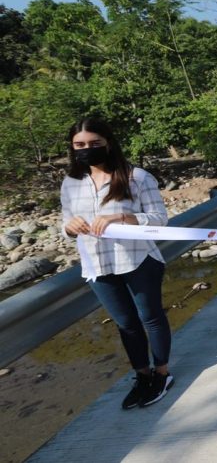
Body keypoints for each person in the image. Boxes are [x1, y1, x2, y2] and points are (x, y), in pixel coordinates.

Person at [61, 118, 175, 409]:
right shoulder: (71, 182)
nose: (87, 149)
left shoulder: (136, 176)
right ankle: (142, 375)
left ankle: (162, 373)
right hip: (98, 265)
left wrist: (122, 217)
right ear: (73, 148)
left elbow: (160, 219)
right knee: (126, 324)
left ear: (108, 142)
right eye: (80, 145)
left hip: (137, 259)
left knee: (150, 318)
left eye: (94, 143)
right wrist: (69, 227)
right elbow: (64, 223)